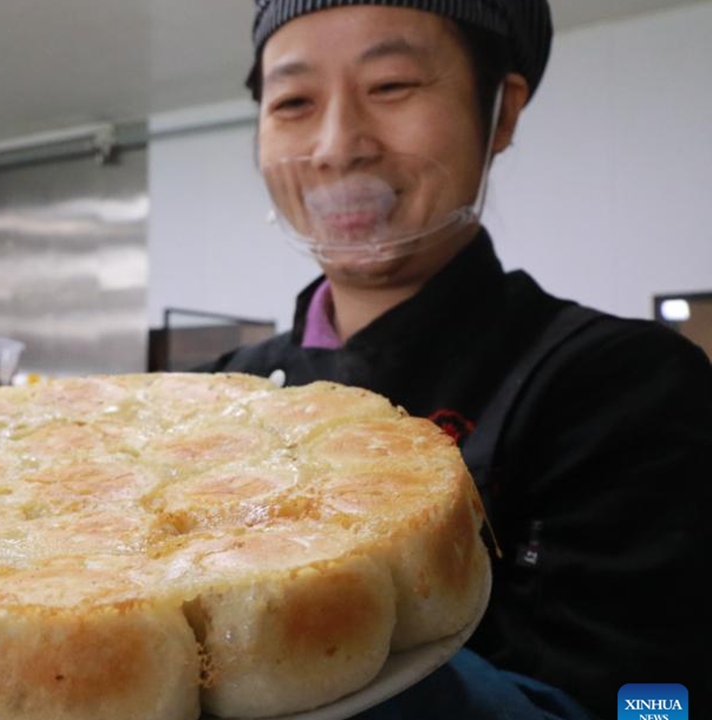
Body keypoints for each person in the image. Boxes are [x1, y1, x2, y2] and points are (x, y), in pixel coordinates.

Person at [202, 1, 712, 718]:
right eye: (293, 101)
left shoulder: (623, 386)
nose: (337, 145)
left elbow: (654, 703)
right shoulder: (212, 399)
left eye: (392, 87)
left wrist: (308, 660)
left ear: (500, 112)